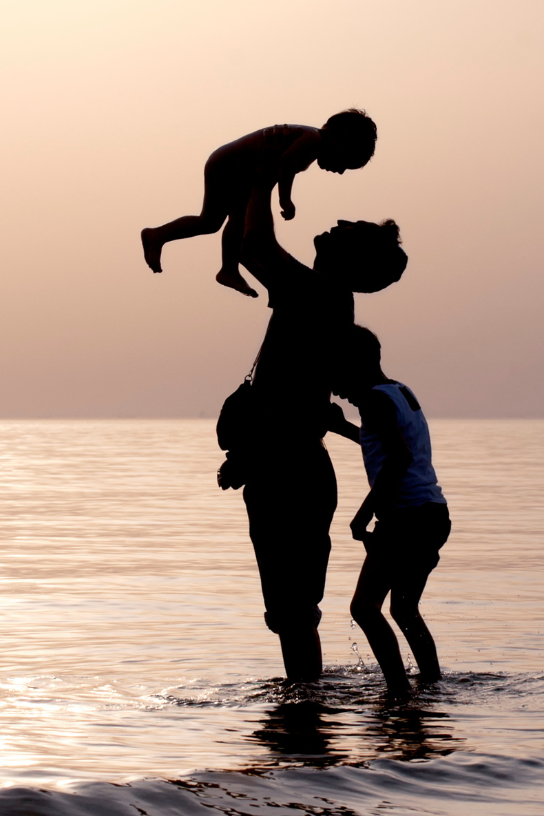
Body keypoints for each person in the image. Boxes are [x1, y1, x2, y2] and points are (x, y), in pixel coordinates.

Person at [218, 168, 407, 683]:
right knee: (291, 613)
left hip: (289, 470)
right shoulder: (321, 297)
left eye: (350, 227)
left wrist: (261, 169)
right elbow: (244, 244)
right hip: (292, 467)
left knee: (293, 612)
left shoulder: (317, 292)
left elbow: (256, 240)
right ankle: (305, 727)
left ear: (350, 258)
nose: (339, 219)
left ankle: (305, 726)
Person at [330, 325, 451, 695]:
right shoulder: (399, 392)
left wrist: (363, 514)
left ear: (356, 364)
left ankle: (398, 692)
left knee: (365, 609)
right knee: (403, 609)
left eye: (337, 372)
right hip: (432, 515)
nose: (335, 386)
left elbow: (398, 459)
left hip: (405, 519)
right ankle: (430, 686)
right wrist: (343, 429)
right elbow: (385, 442)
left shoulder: (373, 401)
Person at [141, 110, 377, 297]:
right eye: (346, 162)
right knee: (211, 221)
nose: (340, 171)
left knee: (233, 220)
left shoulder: (311, 142)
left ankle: (228, 269)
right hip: (228, 166)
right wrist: (285, 199)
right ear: (343, 137)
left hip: (237, 169)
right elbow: (285, 163)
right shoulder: (313, 140)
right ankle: (158, 235)